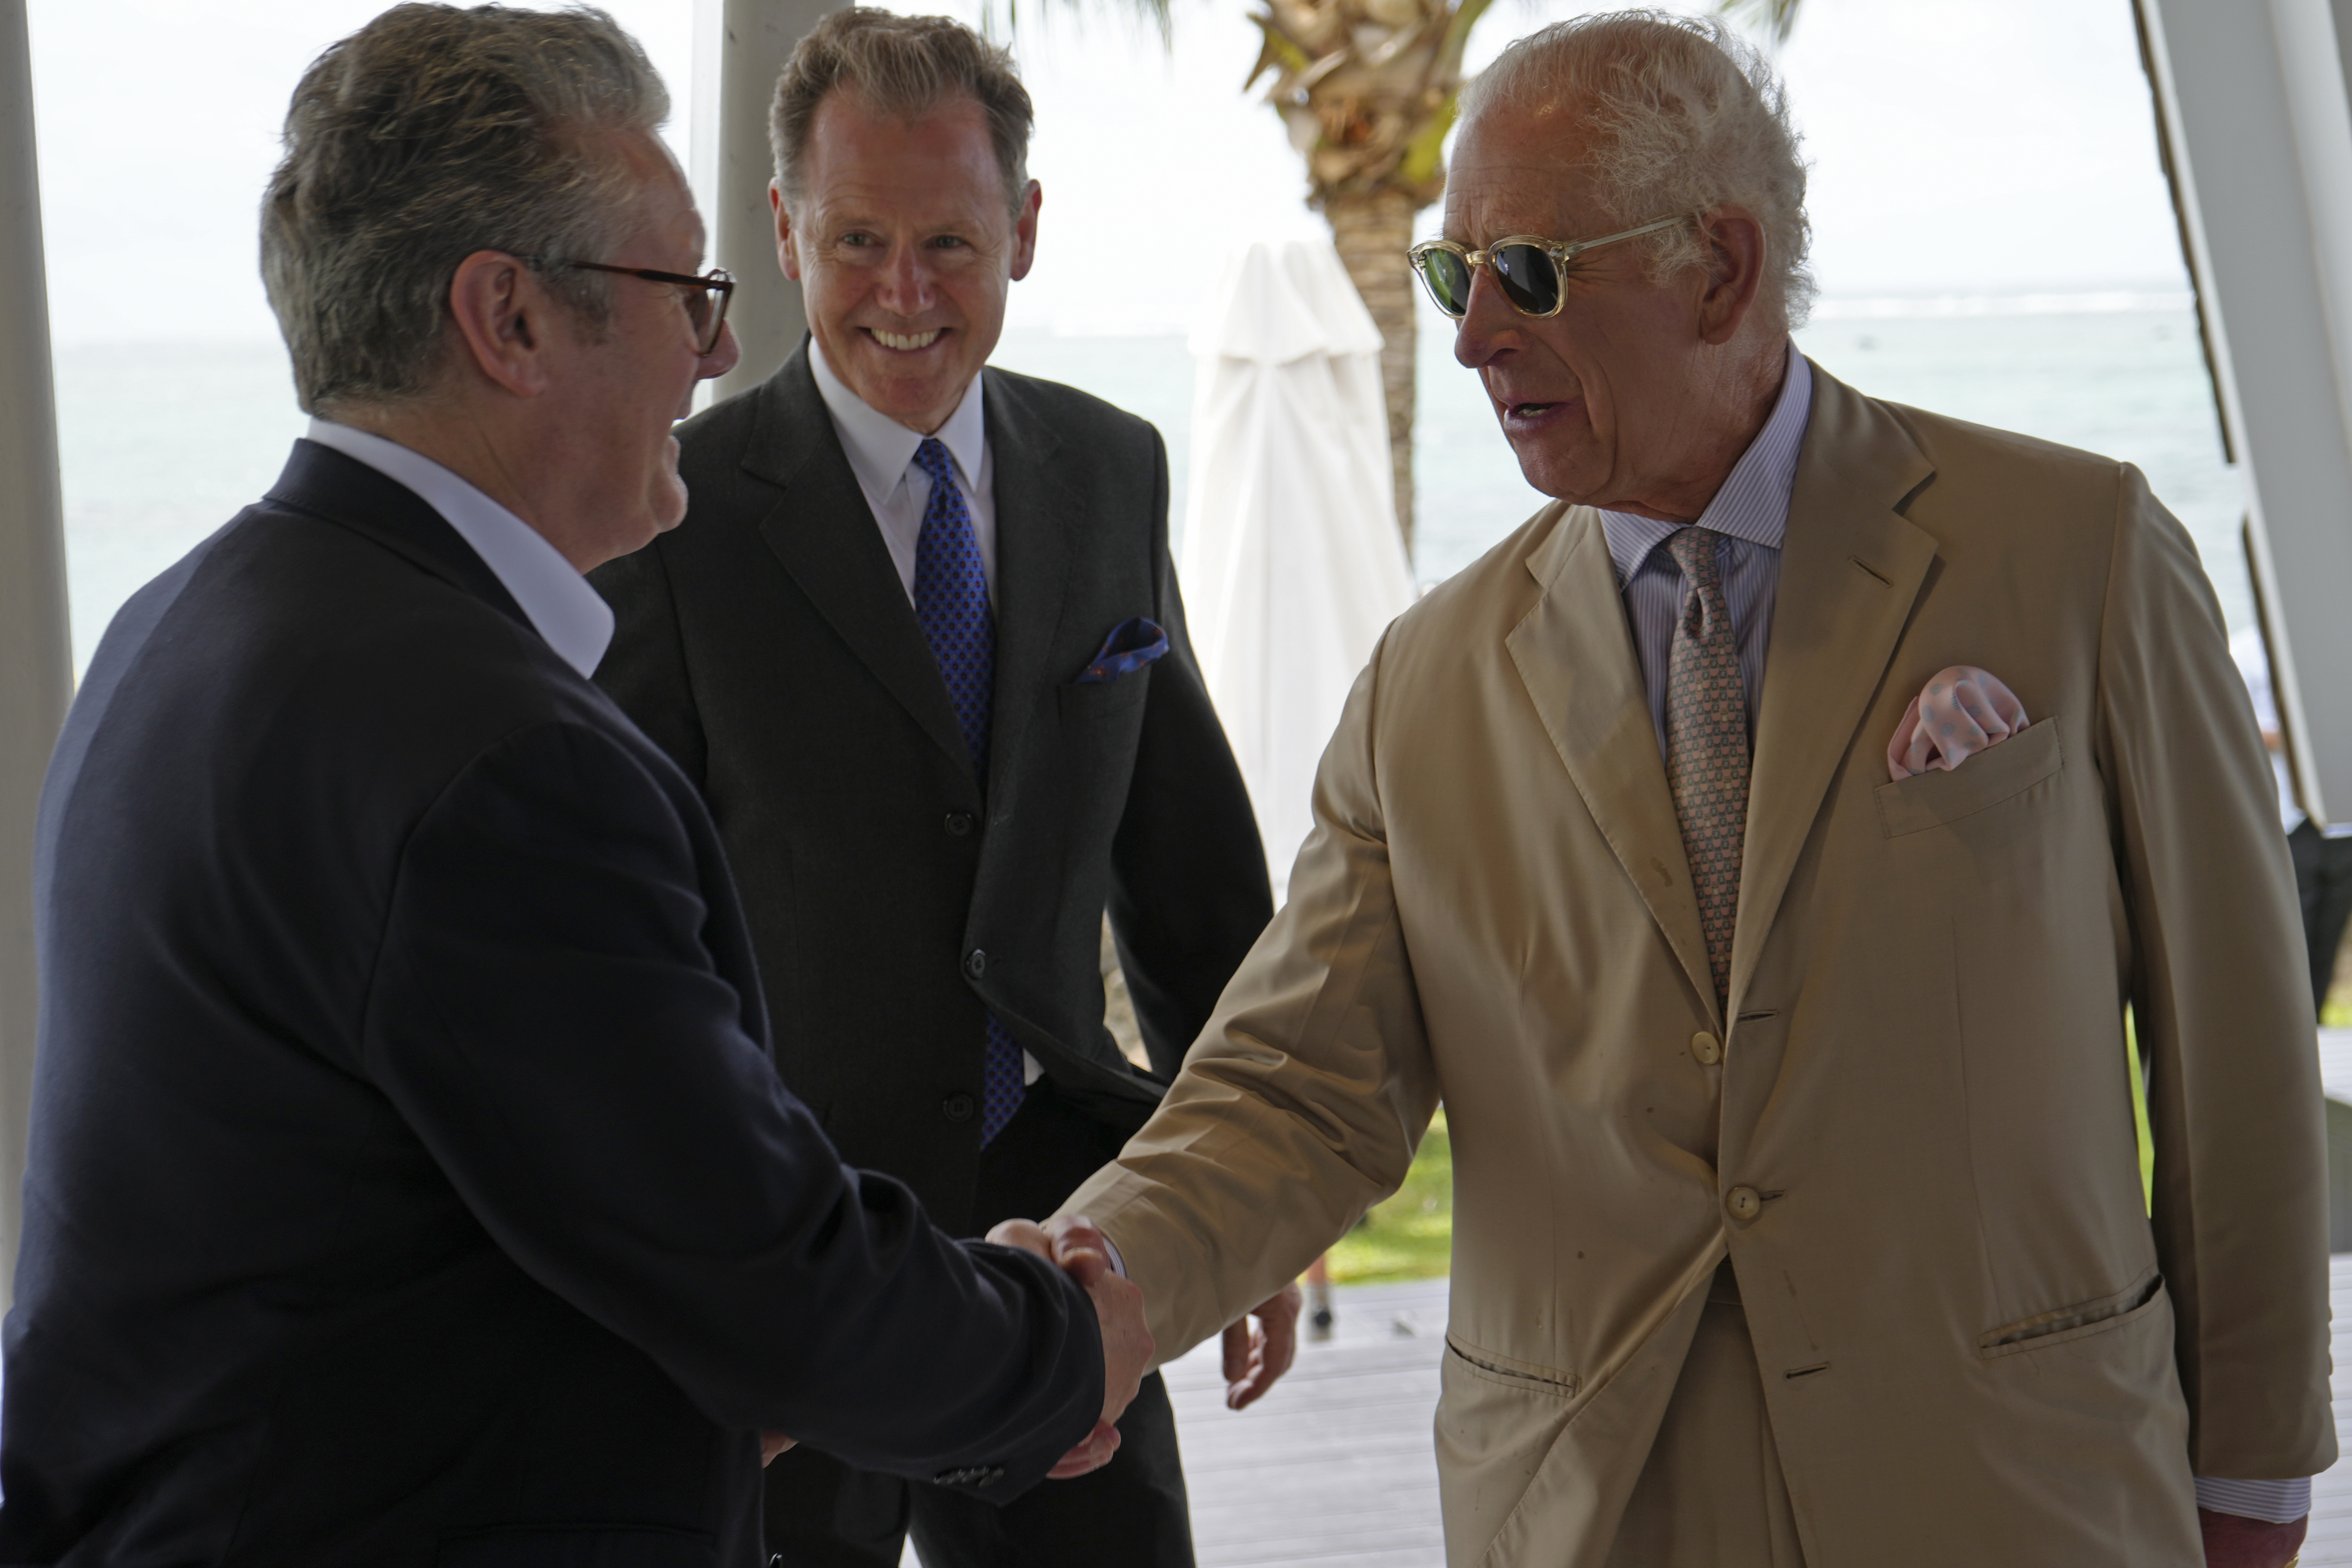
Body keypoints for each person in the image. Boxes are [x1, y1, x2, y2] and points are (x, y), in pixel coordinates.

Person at [1047, 13, 2334, 1567]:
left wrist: (2257, 1472)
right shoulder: (1426, 686)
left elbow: (2235, 1053)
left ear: (1720, 268)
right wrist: (1089, 1284)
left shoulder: (2083, 555)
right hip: (1591, 1507)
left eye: (1527, 270)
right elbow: (1292, 1090)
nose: (1472, 339)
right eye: (1455, 277)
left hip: (2013, 1495)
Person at [0, 8, 1151, 1565]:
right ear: (509, 320)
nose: (725, 347)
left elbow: (427, 1257)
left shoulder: (180, 624)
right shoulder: (491, 755)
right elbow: (764, 1277)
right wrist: (1063, 1342)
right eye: (686, 291)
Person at [590, 14, 1293, 1565]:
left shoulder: (1113, 469)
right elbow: (612, 940)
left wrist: (1257, 1207)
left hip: (1063, 1242)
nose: (904, 294)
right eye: (858, 241)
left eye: (951, 242)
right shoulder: (673, 519)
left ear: (1024, 230)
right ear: (783, 232)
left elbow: (1189, 880)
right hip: (784, 1257)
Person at [2231, 623, 2352, 1014]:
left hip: (2340, 821)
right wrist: (2300, 735)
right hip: (2285, 815)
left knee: (2325, 941)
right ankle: (2281, 1035)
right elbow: (2232, 720)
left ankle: (2313, 1032)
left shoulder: (2334, 640)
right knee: (2284, 937)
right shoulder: (2247, 649)